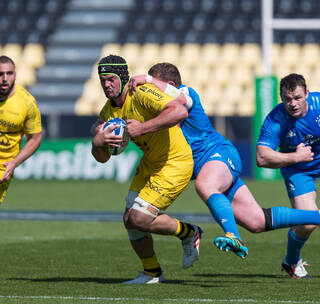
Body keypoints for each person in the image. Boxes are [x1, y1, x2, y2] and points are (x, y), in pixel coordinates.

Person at [130, 64, 320, 268]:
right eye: (288, 99)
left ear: (170, 85)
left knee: (205, 186)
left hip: (217, 154)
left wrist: (148, 81)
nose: (147, 93)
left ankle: (232, 236)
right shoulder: (153, 110)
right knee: (257, 222)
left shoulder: (185, 93)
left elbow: (177, 102)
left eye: (152, 88)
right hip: (210, 167)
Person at [91, 55, 202, 285]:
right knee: (129, 220)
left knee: (139, 218)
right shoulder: (108, 113)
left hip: (175, 163)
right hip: (151, 163)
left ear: (123, 78)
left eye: (111, 79)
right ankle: (152, 273)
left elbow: (180, 111)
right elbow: (102, 159)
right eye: (102, 81)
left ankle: (189, 233)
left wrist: (143, 127)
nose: (106, 85)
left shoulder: (141, 93)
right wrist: (97, 143)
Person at [256, 73, 320, 279]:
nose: (292, 104)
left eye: (298, 98)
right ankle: (291, 261)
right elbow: (262, 157)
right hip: (299, 169)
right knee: (308, 222)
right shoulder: (276, 118)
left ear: (307, 94)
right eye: (287, 99)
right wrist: (295, 157)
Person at [0, 56, 42, 202]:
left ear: (15, 75)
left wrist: (14, 163)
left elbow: (35, 138)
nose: (4, 78)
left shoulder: (27, 103)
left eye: (9, 73)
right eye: (0, 74)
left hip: (3, 168)